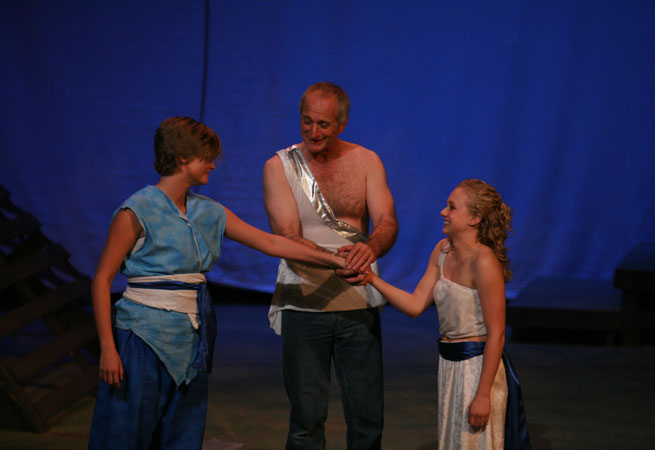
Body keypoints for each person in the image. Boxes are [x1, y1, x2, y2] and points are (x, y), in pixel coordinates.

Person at [88, 116, 352, 450]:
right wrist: (108, 349)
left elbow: (270, 243)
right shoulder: (137, 210)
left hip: (190, 337)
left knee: (182, 431)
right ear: (182, 157)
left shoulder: (209, 212)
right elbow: (102, 278)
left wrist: (334, 260)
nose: (213, 165)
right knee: (127, 431)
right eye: (206, 157)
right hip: (141, 336)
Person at [262, 82, 398, 449]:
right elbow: (286, 235)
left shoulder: (366, 161)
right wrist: (336, 260)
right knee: (306, 421)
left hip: (358, 301)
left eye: (323, 124)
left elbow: (387, 221)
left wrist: (371, 247)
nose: (314, 132)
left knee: (367, 417)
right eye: (306, 121)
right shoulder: (279, 166)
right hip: (303, 303)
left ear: (342, 123)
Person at [361, 179, 530, 449]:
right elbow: (416, 304)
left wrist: (483, 394)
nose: (443, 212)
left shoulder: (484, 261)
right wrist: (371, 279)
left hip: (477, 369)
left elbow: (497, 334)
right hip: (450, 366)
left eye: (452, 207)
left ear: (474, 218)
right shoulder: (443, 250)